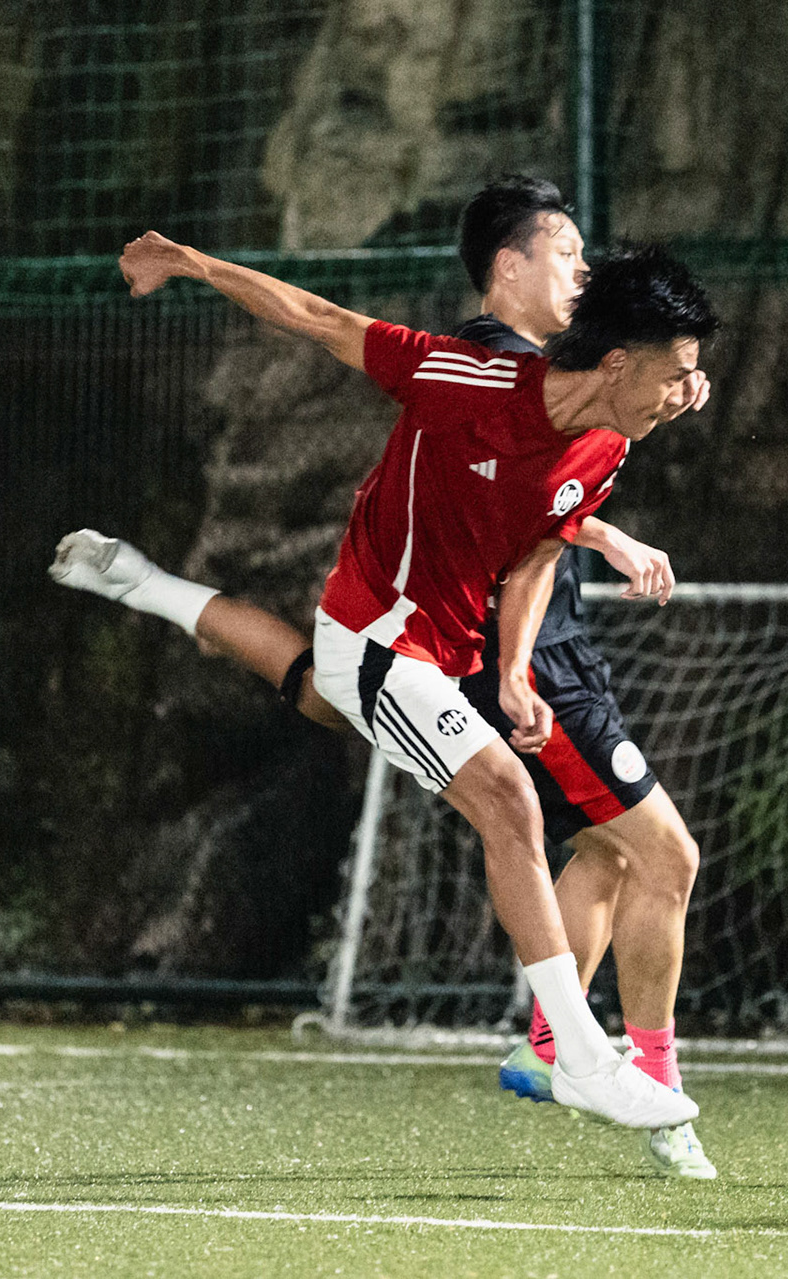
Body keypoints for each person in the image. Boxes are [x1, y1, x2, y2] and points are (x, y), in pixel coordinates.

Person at [53, 179, 717, 1174]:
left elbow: (540, 544)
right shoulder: (465, 375)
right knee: (511, 808)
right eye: (678, 375)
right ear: (617, 358)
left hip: (437, 655)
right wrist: (189, 261)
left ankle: (151, 587)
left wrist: (513, 662)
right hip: (373, 634)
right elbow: (317, 317)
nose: (689, 394)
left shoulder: (606, 437)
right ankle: (575, 1052)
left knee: (320, 702)